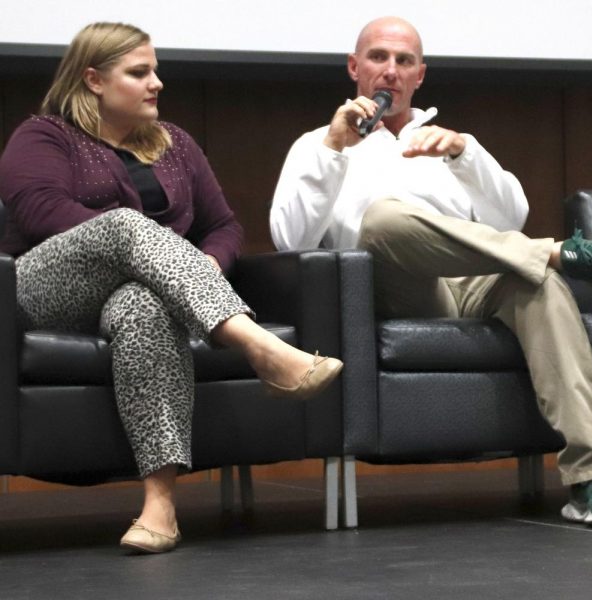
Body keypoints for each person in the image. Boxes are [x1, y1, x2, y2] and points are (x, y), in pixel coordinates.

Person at [271, 16, 592, 527]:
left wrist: (465, 153)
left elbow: (510, 219)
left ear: (420, 75)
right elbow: (290, 240)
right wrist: (335, 148)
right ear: (354, 67)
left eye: (404, 62)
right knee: (383, 217)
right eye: (379, 58)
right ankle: (562, 252)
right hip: (391, 285)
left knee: (536, 280)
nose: (390, 71)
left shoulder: (446, 141)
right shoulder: (319, 143)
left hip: (470, 278)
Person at [0, 22, 343, 554]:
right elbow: (44, 215)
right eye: (139, 73)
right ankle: (259, 347)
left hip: (138, 293)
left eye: (155, 70)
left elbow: (225, 226)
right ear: (93, 79)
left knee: (145, 307)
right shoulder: (43, 136)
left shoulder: (174, 144)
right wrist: (158, 248)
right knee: (123, 226)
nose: (156, 82)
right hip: (44, 290)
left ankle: (160, 507)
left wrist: (201, 263)